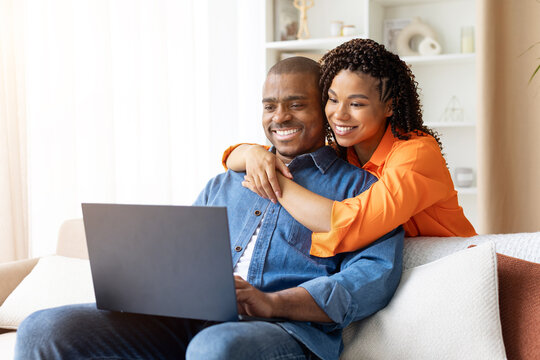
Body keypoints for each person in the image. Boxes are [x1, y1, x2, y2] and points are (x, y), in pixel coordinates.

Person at [15, 57, 403, 360]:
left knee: (214, 348)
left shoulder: (361, 189)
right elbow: (181, 262)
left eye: (297, 105)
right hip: (190, 322)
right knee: (42, 327)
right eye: (269, 106)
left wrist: (271, 302)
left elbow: (371, 280)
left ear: (327, 111)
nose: (280, 117)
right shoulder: (224, 183)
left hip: (283, 332)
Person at [223, 38, 476, 258]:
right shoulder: (344, 152)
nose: (338, 115)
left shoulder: (417, 153)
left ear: (390, 106)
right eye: (332, 100)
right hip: (403, 266)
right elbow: (231, 158)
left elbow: (353, 223)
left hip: (450, 263)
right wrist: (252, 154)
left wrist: (274, 181)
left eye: (356, 104)